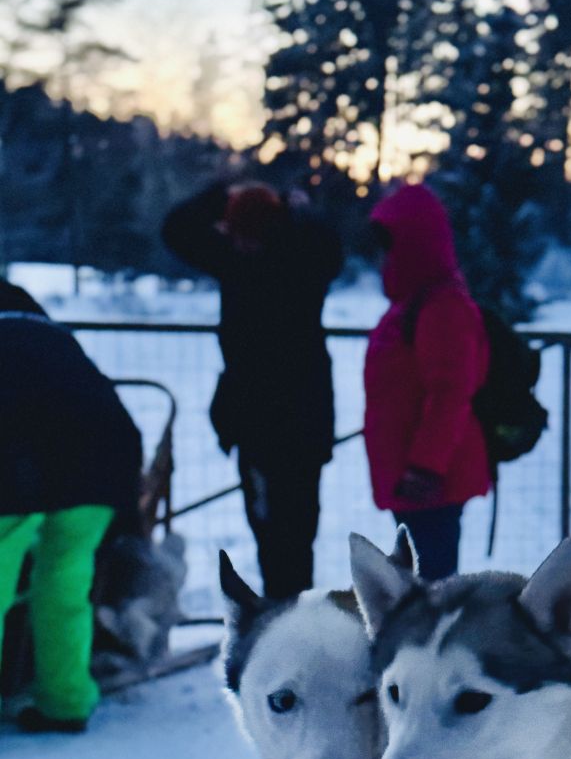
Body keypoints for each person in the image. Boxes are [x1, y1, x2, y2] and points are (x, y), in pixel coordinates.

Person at [162, 181, 342, 598]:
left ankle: (291, 619)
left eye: (245, 233)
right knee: (269, 532)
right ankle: (282, 617)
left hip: (295, 427)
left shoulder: (300, 264)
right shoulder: (237, 262)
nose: (237, 242)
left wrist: (294, 210)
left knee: (294, 535)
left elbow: (328, 248)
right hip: (257, 427)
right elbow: (176, 230)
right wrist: (221, 193)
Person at [0, 312, 142, 733]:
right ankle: (64, 703)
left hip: (21, 473)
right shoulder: (41, 336)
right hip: (98, 469)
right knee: (63, 583)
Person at [364, 183, 491, 580]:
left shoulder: (443, 306)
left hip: (431, 482)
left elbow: (451, 393)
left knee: (432, 591)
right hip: (415, 479)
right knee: (420, 586)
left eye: (391, 245)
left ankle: (432, 645)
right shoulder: (417, 303)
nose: (383, 257)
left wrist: (425, 468)